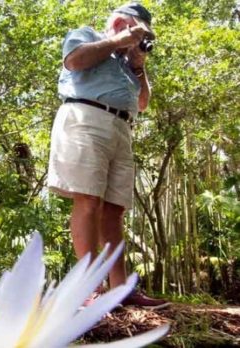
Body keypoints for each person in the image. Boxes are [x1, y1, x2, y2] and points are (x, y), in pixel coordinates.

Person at [47, 2, 169, 309]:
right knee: (88, 200)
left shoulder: (129, 64)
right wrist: (118, 42)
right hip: (86, 117)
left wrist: (139, 64)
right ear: (114, 23)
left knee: (114, 211)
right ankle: (90, 290)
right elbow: (74, 61)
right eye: (126, 23)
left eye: (136, 28)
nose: (128, 30)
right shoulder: (85, 35)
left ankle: (121, 289)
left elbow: (142, 103)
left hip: (121, 128)